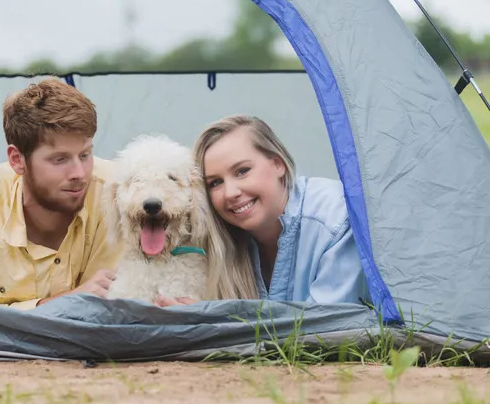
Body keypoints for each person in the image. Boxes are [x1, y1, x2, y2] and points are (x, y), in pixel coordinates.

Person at [0, 78, 120, 308]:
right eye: (59, 159)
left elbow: (120, 308)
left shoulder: (117, 191)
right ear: (17, 160)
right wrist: (65, 304)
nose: (79, 173)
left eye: (85, 155)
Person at [158, 115, 369, 306]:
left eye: (242, 171)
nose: (230, 193)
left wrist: (213, 326)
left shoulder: (337, 218)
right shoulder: (224, 239)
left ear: (278, 164)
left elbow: (326, 332)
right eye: (215, 183)